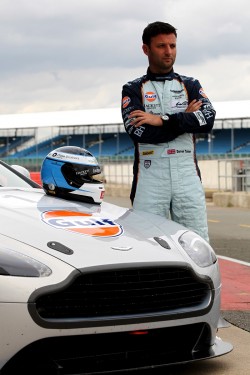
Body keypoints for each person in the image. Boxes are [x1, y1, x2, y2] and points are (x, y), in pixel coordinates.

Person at [121, 21, 216, 242]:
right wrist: (186, 120)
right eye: (161, 46)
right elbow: (140, 133)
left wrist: (161, 120)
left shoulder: (190, 85)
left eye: (172, 46)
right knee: (148, 244)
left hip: (187, 177)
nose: (168, 52)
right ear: (146, 49)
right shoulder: (133, 88)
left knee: (196, 242)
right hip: (150, 178)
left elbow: (208, 120)